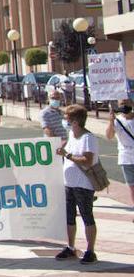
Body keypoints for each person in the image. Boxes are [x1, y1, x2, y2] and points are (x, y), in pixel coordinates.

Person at [56, 104, 99, 264]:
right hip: (69, 183)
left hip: (83, 184)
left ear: (75, 121)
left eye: (67, 118)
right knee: (69, 217)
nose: (65, 120)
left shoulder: (88, 138)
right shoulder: (72, 135)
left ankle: (90, 250)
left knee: (87, 216)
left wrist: (67, 155)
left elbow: (87, 161)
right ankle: (70, 246)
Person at [104, 99, 134, 220]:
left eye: (127, 103)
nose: (125, 106)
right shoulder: (117, 121)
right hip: (126, 158)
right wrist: (111, 121)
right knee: (132, 186)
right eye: (122, 104)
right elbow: (109, 136)